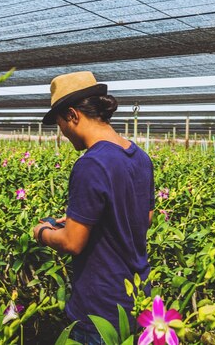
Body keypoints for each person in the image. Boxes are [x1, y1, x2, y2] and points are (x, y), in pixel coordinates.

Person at [33, 71, 154, 345]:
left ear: (73, 115)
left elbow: (72, 242)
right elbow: (143, 218)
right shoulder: (140, 157)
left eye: (60, 123)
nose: (62, 132)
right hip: (136, 299)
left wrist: (41, 231)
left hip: (98, 309)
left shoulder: (91, 163)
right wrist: (87, 220)